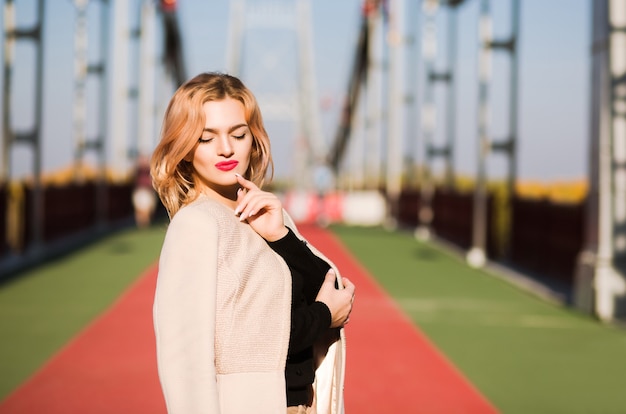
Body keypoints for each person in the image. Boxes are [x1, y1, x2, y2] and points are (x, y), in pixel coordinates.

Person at [150, 72, 355, 414]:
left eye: (238, 133)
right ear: (185, 149)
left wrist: (281, 237)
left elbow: (333, 290)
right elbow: (191, 358)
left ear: (254, 139)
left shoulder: (266, 214)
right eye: (205, 138)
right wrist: (321, 317)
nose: (226, 148)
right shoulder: (197, 225)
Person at [131, 154, 157, 228]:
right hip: (141, 191)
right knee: (139, 210)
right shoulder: (138, 170)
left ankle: (145, 225)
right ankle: (140, 224)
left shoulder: (150, 170)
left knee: (147, 211)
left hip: (147, 191)